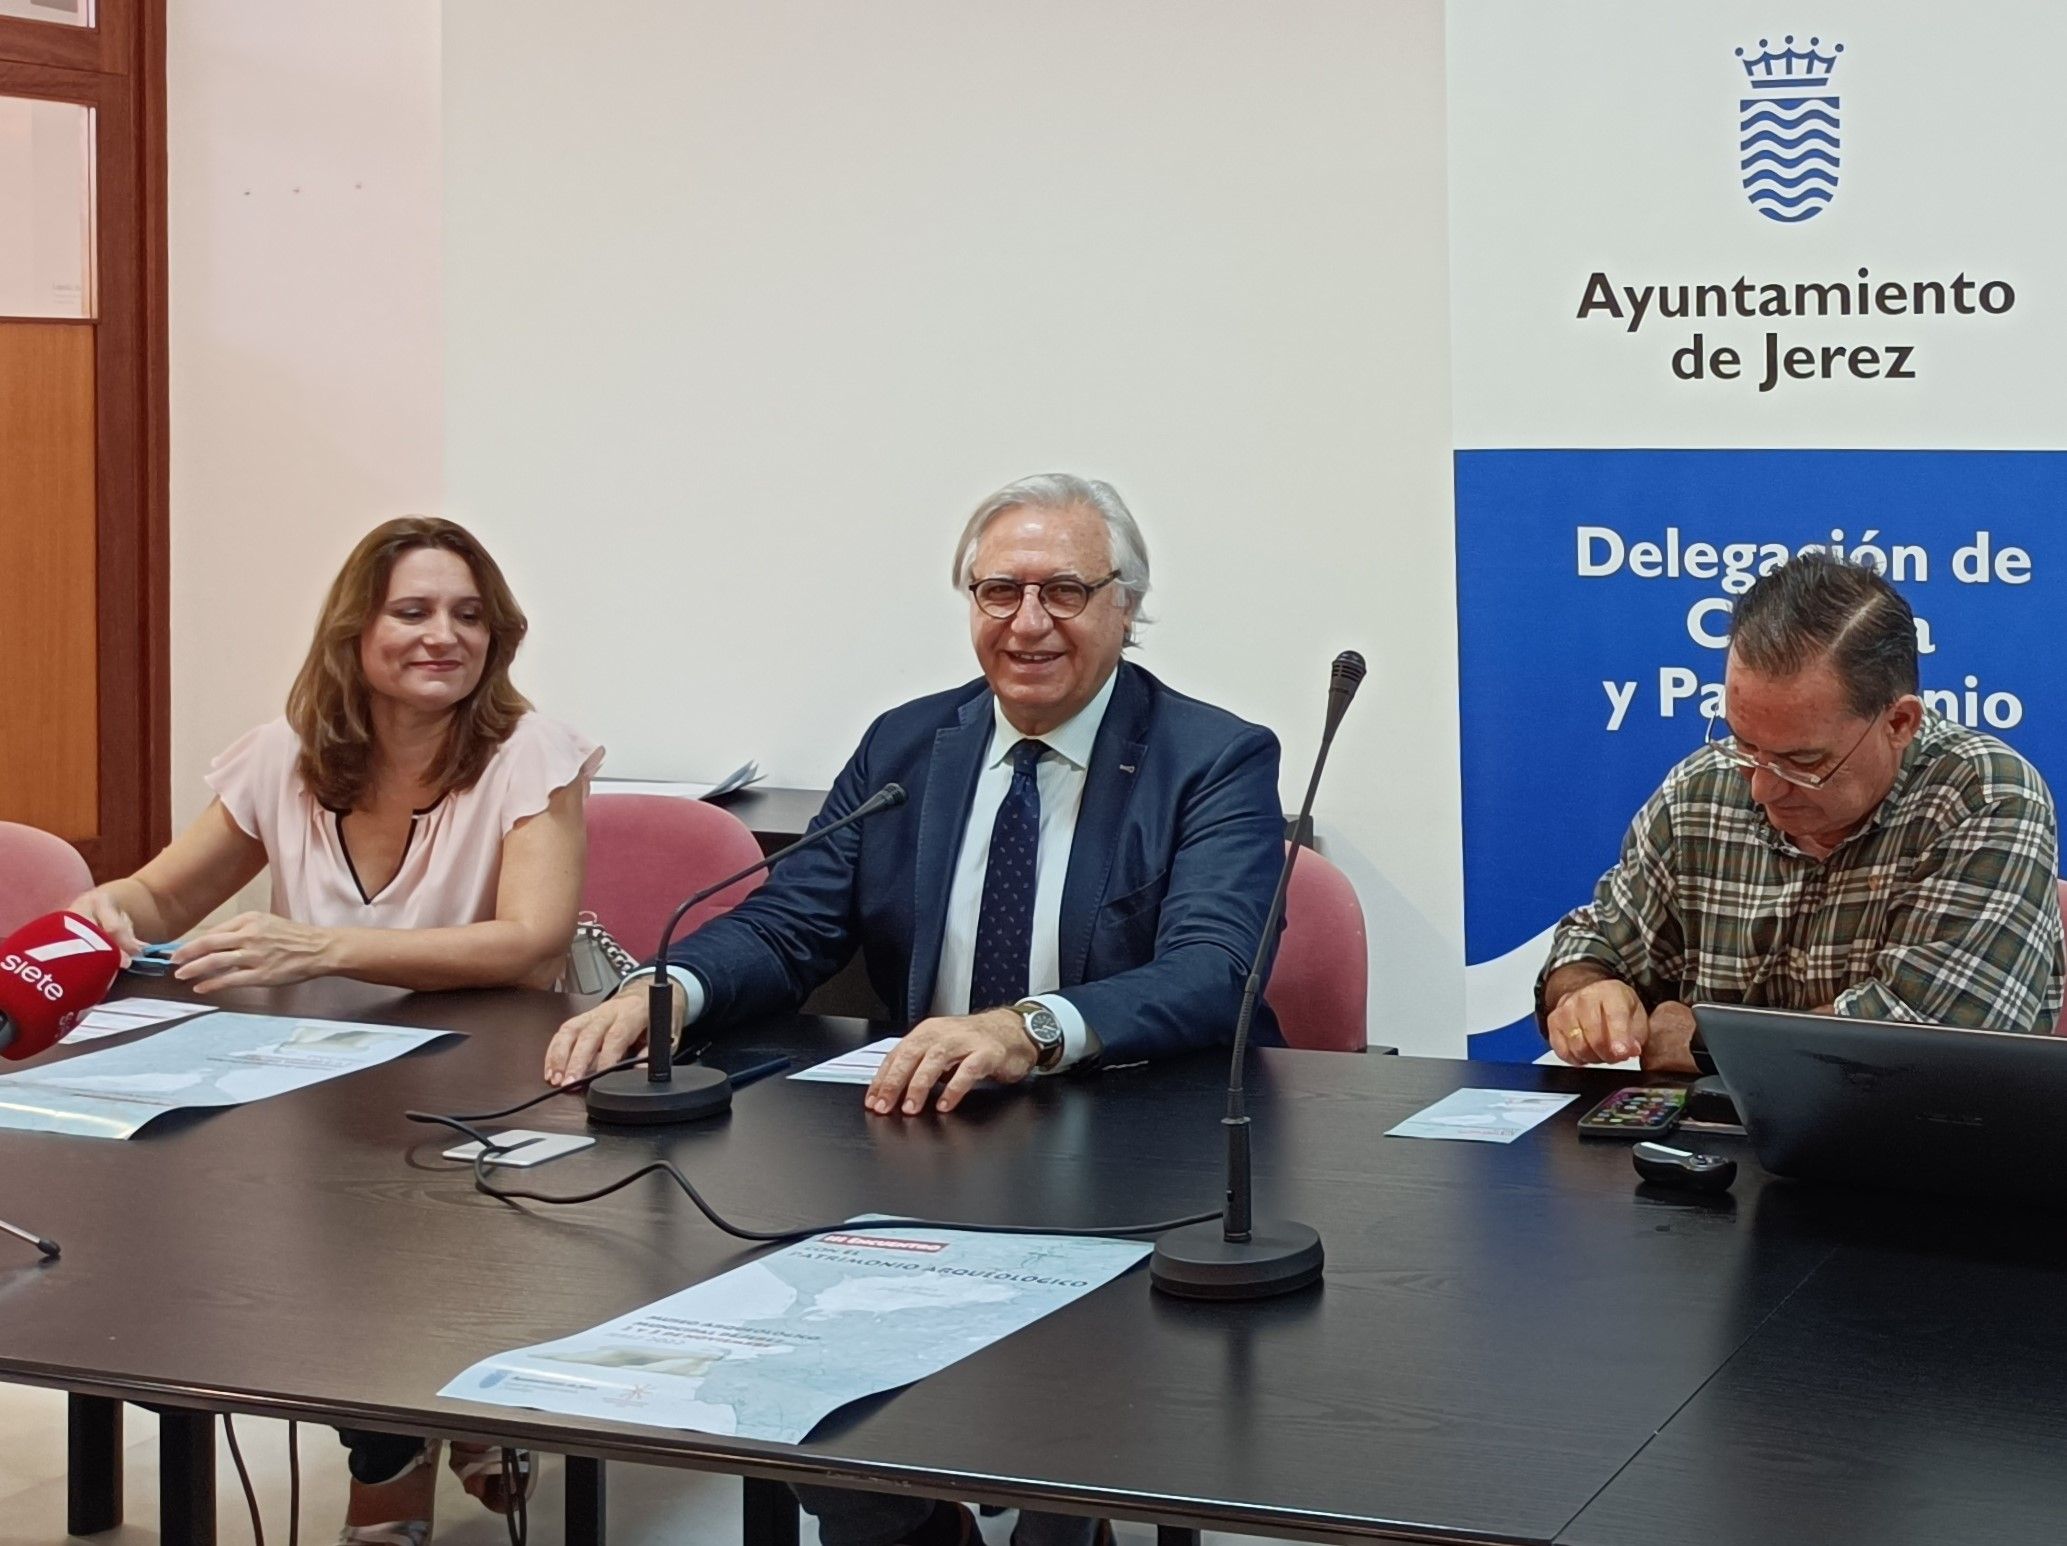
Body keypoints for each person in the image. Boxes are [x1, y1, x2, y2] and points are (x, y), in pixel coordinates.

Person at [546, 472, 1285, 1546]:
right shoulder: (908, 744)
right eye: (998, 592)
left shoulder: (1212, 756)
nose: (1027, 623)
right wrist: (674, 988)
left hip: (1125, 1154)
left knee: (1071, 1420)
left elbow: (1215, 968)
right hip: (920, 1146)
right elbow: (792, 922)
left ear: (1126, 605)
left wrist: (1024, 1026)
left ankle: (1055, 1510)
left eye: (1065, 591)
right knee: (803, 1395)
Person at [71, 516, 601, 1546]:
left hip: (492, 1079)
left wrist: (321, 949)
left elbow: (531, 944)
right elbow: (163, 896)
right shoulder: (287, 755)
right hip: (316, 1085)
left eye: (468, 614)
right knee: (266, 1222)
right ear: (356, 629)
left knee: (396, 1226)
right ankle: (431, 1425)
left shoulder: (528, 750)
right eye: (412, 610)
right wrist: (110, 910)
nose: (442, 634)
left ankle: (401, 1456)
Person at [1541, 551, 2064, 1073]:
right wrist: (1588, 992)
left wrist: (1700, 1043)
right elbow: (1596, 941)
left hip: (1916, 1145)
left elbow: (1934, 1045)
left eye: (1802, 761)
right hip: (1706, 1144)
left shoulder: (1986, 797)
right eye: (1745, 744)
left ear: (1899, 723)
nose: (1764, 788)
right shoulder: (1703, 785)